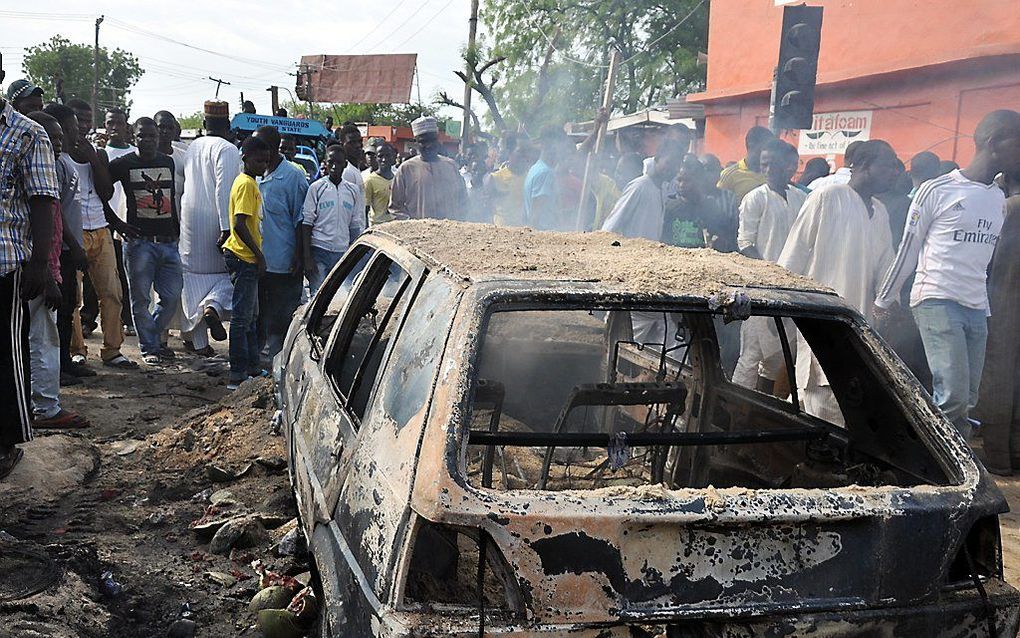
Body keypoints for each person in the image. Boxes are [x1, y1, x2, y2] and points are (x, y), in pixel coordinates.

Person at [874, 110, 1020, 441]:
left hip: (975, 309)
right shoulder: (936, 190)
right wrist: (884, 299)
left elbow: (983, 262)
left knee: (967, 399)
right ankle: (947, 474)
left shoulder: (997, 199)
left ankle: (943, 462)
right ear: (994, 143)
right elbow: (907, 250)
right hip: (936, 298)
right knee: (952, 398)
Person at [779, 140, 899, 424]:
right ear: (865, 166)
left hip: (858, 324)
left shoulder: (879, 211)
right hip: (822, 318)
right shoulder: (828, 196)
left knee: (845, 404)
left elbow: (886, 267)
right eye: (888, 165)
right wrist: (784, 311)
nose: (894, 172)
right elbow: (792, 257)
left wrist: (890, 304)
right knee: (820, 404)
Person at [0, 63, 57, 478]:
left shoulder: (26, 132)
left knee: (7, 353)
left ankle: (6, 441)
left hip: (7, 263)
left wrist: (41, 264)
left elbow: (42, 201)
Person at [24, 111, 89, 429]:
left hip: (44, 268)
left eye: (61, 138)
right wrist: (47, 275)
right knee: (42, 339)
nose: (58, 144)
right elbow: (34, 232)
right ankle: (45, 409)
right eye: (52, 139)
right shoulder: (34, 173)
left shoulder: (51, 170)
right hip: (37, 271)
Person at [64, 98, 137, 369]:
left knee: (112, 292)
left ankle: (112, 349)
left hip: (100, 229)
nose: (82, 126)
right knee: (74, 298)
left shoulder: (98, 153)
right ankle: (77, 349)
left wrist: (94, 158)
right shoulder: (58, 152)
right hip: (74, 232)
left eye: (86, 120)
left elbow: (105, 193)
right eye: (77, 121)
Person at [732, 139, 806, 390]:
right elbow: (745, 242)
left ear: (789, 165)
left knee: (780, 356)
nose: (766, 169)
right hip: (760, 286)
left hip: (792, 288)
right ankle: (737, 411)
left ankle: (766, 407)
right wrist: (767, 272)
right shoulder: (755, 198)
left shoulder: (800, 198)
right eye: (763, 164)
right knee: (752, 354)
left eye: (771, 164)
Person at [108, 117, 182, 366]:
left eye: (152, 136)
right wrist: (115, 223)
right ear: (134, 137)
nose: (148, 141)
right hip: (139, 244)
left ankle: (153, 338)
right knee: (140, 299)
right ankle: (149, 347)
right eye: (142, 136)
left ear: (159, 138)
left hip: (169, 243)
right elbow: (99, 189)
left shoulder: (168, 162)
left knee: (171, 297)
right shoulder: (124, 164)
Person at [179, 100, 240, 356]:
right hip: (216, 225)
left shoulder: (192, 147)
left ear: (204, 124)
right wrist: (227, 230)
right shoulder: (227, 149)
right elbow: (224, 191)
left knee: (192, 281)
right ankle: (213, 306)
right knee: (228, 278)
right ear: (228, 125)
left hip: (191, 223)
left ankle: (200, 344)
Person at [973, 170, 1020, 474]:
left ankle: (999, 455)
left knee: (999, 375)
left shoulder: (1009, 207)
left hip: (1004, 300)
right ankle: (1015, 450)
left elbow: (988, 256)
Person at [41, 103, 91, 384]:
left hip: (70, 247)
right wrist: (75, 245)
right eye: (68, 131)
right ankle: (56, 369)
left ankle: (65, 362)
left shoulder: (66, 163)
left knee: (70, 306)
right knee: (58, 311)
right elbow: (55, 212)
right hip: (62, 249)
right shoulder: (55, 166)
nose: (75, 134)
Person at [252, 125, 308, 359]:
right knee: (258, 316)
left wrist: (300, 256)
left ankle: (279, 362)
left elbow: (301, 220)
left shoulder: (293, 177)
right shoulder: (252, 174)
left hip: (284, 263)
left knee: (282, 318)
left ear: (273, 149)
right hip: (258, 262)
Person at [222, 136, 271, 390]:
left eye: (266, 161)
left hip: (247, 257)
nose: (263, 165)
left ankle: (252, 366)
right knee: (242, 319)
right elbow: (240, 223)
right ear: (245, 158)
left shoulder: (251, 182)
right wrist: (259, 255)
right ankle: (237, 373)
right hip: (243, 257)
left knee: (252, 317)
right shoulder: (245, 185)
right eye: (258, 160)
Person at [301, 145, 364, 293]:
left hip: (342, 253)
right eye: (331, 162)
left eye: (339, 162)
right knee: (318, 295)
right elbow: (307, 223)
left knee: (339, 296)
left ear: (345, 164)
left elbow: (355, 225)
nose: (334, 166)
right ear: (325, 163)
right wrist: (307, 257)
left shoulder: (352, 190)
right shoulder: (316, 188)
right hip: (319, 251)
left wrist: (354, 256)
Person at [602, 143, 685, 241]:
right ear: (657, 159)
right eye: (668, 163)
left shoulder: (663, 189)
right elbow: (611, 225)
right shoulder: (639, 186)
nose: (673, 169)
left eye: (677, 165)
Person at [389, 116, 467, 220]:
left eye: (432, 140)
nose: (429, 145)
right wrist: (411, 225)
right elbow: (395, 208)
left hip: (449, 231)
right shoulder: (406, 169)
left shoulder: (451, 166)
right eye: (423, 142)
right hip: (418, 233)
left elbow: (463, 200)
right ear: (416, 142)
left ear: (437, 139)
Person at [662, 155, 736, 250]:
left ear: (699, 181)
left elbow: (723, 237)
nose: (681, 185)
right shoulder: (670, 207)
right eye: (679, 180)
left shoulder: (711, 208)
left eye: (687, 181)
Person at [523, 125, 570, 230]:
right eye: (561, 144)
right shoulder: (545, 173)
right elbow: (535, 217)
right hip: (545, 236)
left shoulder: (536, 168)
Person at [717, 126, 774, 203]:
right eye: (765, 147)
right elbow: (722, 205)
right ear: (751, 145)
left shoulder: (772, 174)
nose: (769, 151)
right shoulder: (730, 174)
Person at [154, 111, 186, 214]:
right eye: (161, 127)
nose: (165, 131)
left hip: (178, 219)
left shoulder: (184, 156)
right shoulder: (143, 157)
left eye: (170, 128)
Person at [337, 124, 366, 218]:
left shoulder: (355, 169)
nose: (358, 146)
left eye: (359, 141)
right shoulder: (347, 172)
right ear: (342, 145)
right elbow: (346, 209)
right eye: (352, 143)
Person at [364, 143, 396, 225]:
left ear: (393, 157)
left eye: (387, 156)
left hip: (395, 226)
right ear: (376, 158)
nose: (384, 159)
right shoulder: (370, 180)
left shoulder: (398, 179)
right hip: (377, 226)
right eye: (380, 156)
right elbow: (365, 209)